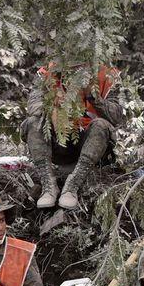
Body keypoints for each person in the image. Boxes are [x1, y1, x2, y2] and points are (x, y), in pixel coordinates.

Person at [23, 62, 123, 210]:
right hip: (59, 141)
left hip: (91, 144)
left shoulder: (107, 74)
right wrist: (51, 107)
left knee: (101, 125)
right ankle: (48, 185)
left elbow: (116, 116)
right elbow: (33, 105)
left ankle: (73, 185)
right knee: (32, 122)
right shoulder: (48, 71)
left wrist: (93, 96)